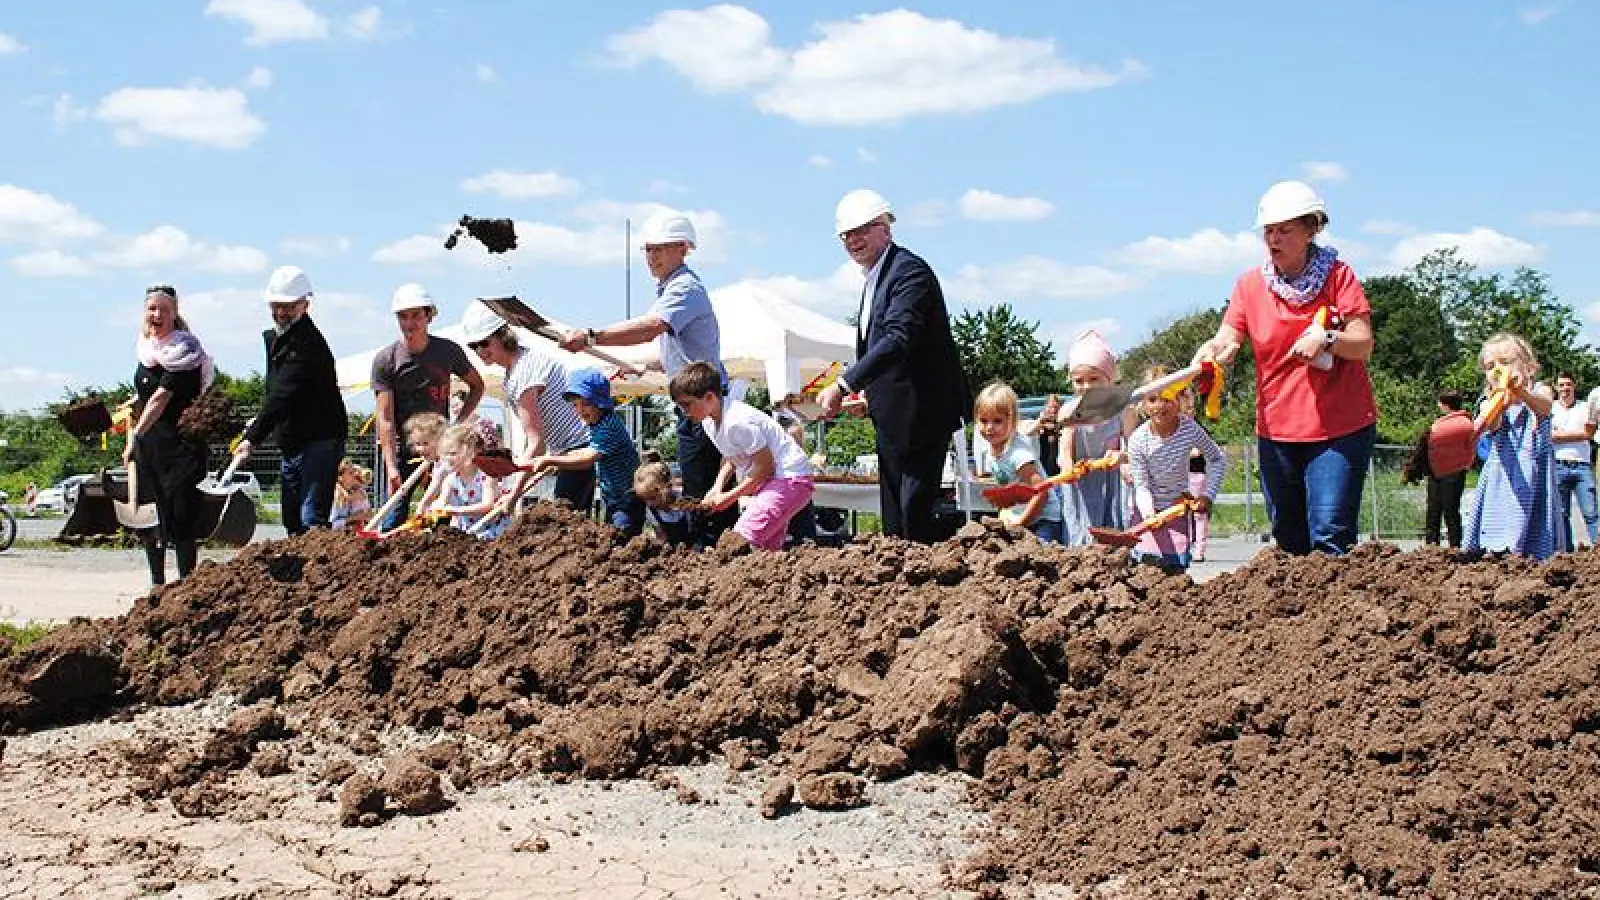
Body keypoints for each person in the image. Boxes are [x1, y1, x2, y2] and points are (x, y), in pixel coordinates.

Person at [1194, 180, 1378, 556]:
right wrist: (1214, 351)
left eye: (1285, 230)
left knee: (1330, 533)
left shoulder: (1339, 277)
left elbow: (1363, 344)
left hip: (1338, 428)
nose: (1274, 239)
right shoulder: (1250, 285)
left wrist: (1327, 338)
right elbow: (1228, 335)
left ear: (1312, 229)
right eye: (1269, 231)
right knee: (1288, 536)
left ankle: (1339, 611)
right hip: (1277, 428)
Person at [557, 212, 731, 543]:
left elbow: (652, 326)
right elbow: (676, 353)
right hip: (694, 399)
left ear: (683, 248)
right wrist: (640, 366)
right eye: (648, 250)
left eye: (660, 249)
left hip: (703, 401)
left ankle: (710, 551)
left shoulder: (685, 288)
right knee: (697, 482)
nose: (652, 257)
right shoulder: (672, 290)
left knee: (701, 484)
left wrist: (592, 337)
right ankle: (705, 548)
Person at [816, 189, 968, 543]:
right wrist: (872, 395)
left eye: (862, 230)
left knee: (913, 514)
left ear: (886, 228)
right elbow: (891, 351)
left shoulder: (908, 272)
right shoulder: (876, 279)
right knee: (894, 519)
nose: (853, 240)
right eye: (846, 235)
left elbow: (899, 339)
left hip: (922, 415)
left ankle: (923, 588)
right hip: (896, 418)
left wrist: (844, 385)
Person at [232, 266, 348, 536]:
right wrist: (261, 422)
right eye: (277, 305)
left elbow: (283, 393)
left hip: (320, 437)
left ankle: (320, 571)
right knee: (292, 518)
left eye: (289, 306)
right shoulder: (277, 339)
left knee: (311, 516)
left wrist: (252, 437)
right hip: (293, 439)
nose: (282, 312)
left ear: (305, 305)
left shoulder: (306, 345)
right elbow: (275, 391)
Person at [459, 301, 593, 514]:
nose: (479, 351)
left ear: (503, 336)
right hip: (568, 452)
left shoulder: (523, 374)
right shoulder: (518, 368)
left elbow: (536, 443)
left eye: (484, 343)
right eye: (473, 346)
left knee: (565, 524)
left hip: (580, 451)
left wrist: (513, 495)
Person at [372, 283, 484, 531]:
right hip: (402, 450)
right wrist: (391, 466)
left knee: (441, 516)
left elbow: (477, 386)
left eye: (416, 315)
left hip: (440, 450)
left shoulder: (447, 351)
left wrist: (456, 426)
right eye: (403, 316)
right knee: (393, 518)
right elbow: (386, 418)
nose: (410, 323)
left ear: (428, 316)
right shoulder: (386, 360)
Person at [123, 284, 214, 587]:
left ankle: (186, 584)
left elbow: (162, 398)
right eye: (152, 308)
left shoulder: (183, 349)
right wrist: (132, 406)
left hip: (180, 448)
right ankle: (157, 585)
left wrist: (136, 433)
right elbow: (147, 392)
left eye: (164, 309)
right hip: (151, 446)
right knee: (151, 518)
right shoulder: (147, 348)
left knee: (179, 516)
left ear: (175, 314)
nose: (157, 314)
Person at [671, 361, 816, 551]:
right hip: (778, 482)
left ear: (709, 397)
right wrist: (717, 488)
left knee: (740, 540)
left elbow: (765, 467)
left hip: (789, 479)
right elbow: (732, 458)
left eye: (687, 405)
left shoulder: (736, 422)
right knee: (765, 550)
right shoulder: (709, 423)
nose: (685, 412)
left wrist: (729, 498)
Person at [1465, 333, 1562, 559]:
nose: (1498, 370)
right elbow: (1491, 423)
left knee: (1536, 531)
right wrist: (1499, 403)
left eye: (1506, 362)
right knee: (1499, 524)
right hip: (1502, 478)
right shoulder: (1488, 402)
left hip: (1535, 476)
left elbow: (1544, 407)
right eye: (1490, 366)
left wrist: (1521, 392)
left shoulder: (1540, 391)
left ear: (1529, 368)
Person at [1126, 367, 1227, 571]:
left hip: (1177, 507)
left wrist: (1207, 496)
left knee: (1176, 565)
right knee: (1147, 565)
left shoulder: (1189, 429)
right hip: (1148, 511)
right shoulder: (1138, 440)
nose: (1160, 406)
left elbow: (1217, 459)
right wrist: (1149, 514)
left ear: (1180, 400)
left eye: (1167, 398)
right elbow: (1141, 485)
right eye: (1153, 399)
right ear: (1143, 404)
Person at [530, 369, 643, 537]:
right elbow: (584, 451)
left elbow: (587, 459)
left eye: (586, 403)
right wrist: (557, 459)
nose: (581, 410)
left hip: (627, 500)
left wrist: (551, 460)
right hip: (614, 499)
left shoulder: (609, 427)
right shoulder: (598, 424)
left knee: (621, 540)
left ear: (601, 403)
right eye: (576, 404)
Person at [1056, 330, 1130, 535]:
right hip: (1080, 481)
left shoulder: (1122, 410)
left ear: (1109, 379)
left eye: (1094, 379)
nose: (1086, 386)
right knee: (1080, 531)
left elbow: (1133, 446)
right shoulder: (1070, 411)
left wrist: (1123, 457)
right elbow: (1065, 451)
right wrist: (1067, 468)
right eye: (1079, 381)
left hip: (1113, 482)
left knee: (1112, 531)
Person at [974, 382, 1065, 544]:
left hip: (1044, 520)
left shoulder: (1018, 454)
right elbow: (1006, 487)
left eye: (997, 421)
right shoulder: (993, 449)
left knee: (1040, 558)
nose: (989, 427)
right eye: (983, 420)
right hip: (1023, 516)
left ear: (1013, 420)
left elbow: (1041, 491)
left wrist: (1020, 522)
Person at [1406, 390, 1475, 548]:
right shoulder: (1464, 423)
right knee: (1444, 511)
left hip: (1447, 472)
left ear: (1445, 405)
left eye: (1439, 402)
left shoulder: (1455, 424)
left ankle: (1441, 545)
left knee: (1441, 511)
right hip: (1444, 472)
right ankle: (1447, 545)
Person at [431, 423, 508, 539]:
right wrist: (436, 507)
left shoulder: (487, 475)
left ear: (471, 452)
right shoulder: (450, 480)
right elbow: (442, 501)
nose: (448, 458)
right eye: (445, 454)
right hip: (467, 528)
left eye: (453, 454)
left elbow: (487, 506)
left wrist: (456, 510)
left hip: (491, 526)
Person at [1551, 372, 1598, 548]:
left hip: (1582, 465)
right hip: (1558, 464)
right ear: (1556, 388)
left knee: (1591, 511)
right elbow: (1548, 436)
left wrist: (1560, 435)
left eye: (1568, 384)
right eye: (1561, 385)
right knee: (1562, 513)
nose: (1565, 388)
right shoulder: (1551, 408)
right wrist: (1580, 435)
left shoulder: (1585, 407)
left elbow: (1590, 434)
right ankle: (1566, 552)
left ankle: (1597, 547)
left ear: (1574, 386)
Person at [633, 461, 695, 547]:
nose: (649, 503)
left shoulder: (685, 497)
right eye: (645, 500)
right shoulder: (652, 511)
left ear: (668, 486)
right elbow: (661, 535)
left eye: (653, 498)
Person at [330, 459, 373, 531]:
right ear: (340, 478)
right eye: (350, 473)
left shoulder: (358, 491)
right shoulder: (337, 495)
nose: (355, 474)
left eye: (354, 471)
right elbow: (332, 525)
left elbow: (368, 515)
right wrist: (354, 518)